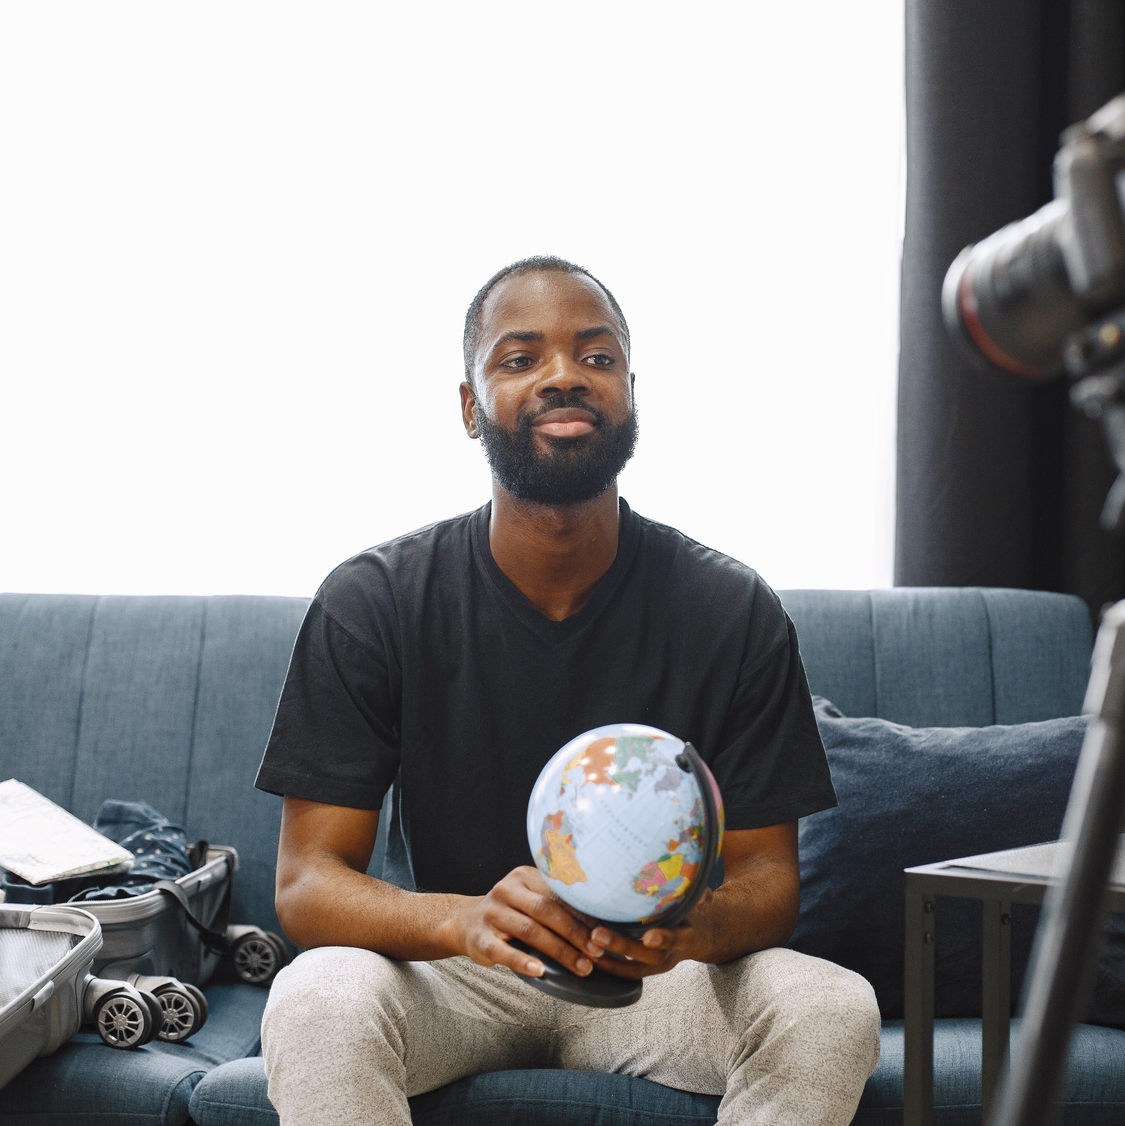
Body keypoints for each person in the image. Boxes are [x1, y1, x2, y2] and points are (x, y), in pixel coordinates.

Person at [254, 256, 881, 1126]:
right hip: (455, 974)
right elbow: (307, 884)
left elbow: (769, 878)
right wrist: (466, 923)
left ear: (630, 391)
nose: (563, 376)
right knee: (316, 996)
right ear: (470, 406)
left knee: (831, 1006)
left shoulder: (732, 608)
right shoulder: (374, 600)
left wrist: (691, 929)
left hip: (664, 979)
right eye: (519, 359)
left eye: (597, 356)